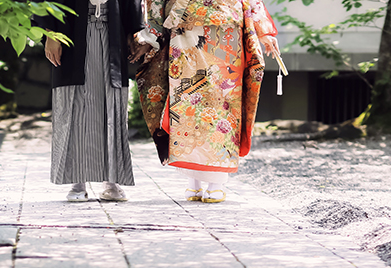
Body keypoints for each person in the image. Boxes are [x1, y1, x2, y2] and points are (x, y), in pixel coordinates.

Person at [130, 0, 280, 202]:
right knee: (187, 104)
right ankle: (194, 181)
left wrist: (264, 31)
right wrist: (152, 33)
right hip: (186, 30)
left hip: (224, 31)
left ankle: (215, 181)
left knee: (221, 104)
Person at [36, 0, 146, 202]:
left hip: (113, 34)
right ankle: (77, 181)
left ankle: (111, 181)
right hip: (71, 35)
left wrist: (134, 32)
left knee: (110, 107)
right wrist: (50, 33)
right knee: (75, 106)